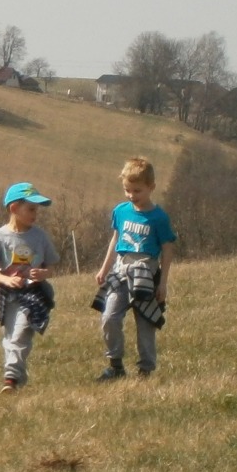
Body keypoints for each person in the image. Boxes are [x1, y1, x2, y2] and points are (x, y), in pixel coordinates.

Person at [92, 156, 177, 380]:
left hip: (146, 276)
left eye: (137, 191)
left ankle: (145, 370)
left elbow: (167, 249)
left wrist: (163, 283)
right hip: (121, 273)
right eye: (127, 190)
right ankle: (115, 365)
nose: (131, 195)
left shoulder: (159, 218)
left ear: (151, 187)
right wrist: (104, 269)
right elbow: (115, 240)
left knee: (145, 324)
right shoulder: (120, 211)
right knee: (109, 317)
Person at [0, 182, 61, 393]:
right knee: (10, 336)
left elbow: (51, 266)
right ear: (14, 208)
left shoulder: (40, 236)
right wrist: (6, 280)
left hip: (34, 294)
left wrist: (43, 273)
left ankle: (10, 378)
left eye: (37, 210)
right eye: (31, 209)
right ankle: (18, 379)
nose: (35, 214)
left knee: (22, 331)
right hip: (8, 294)